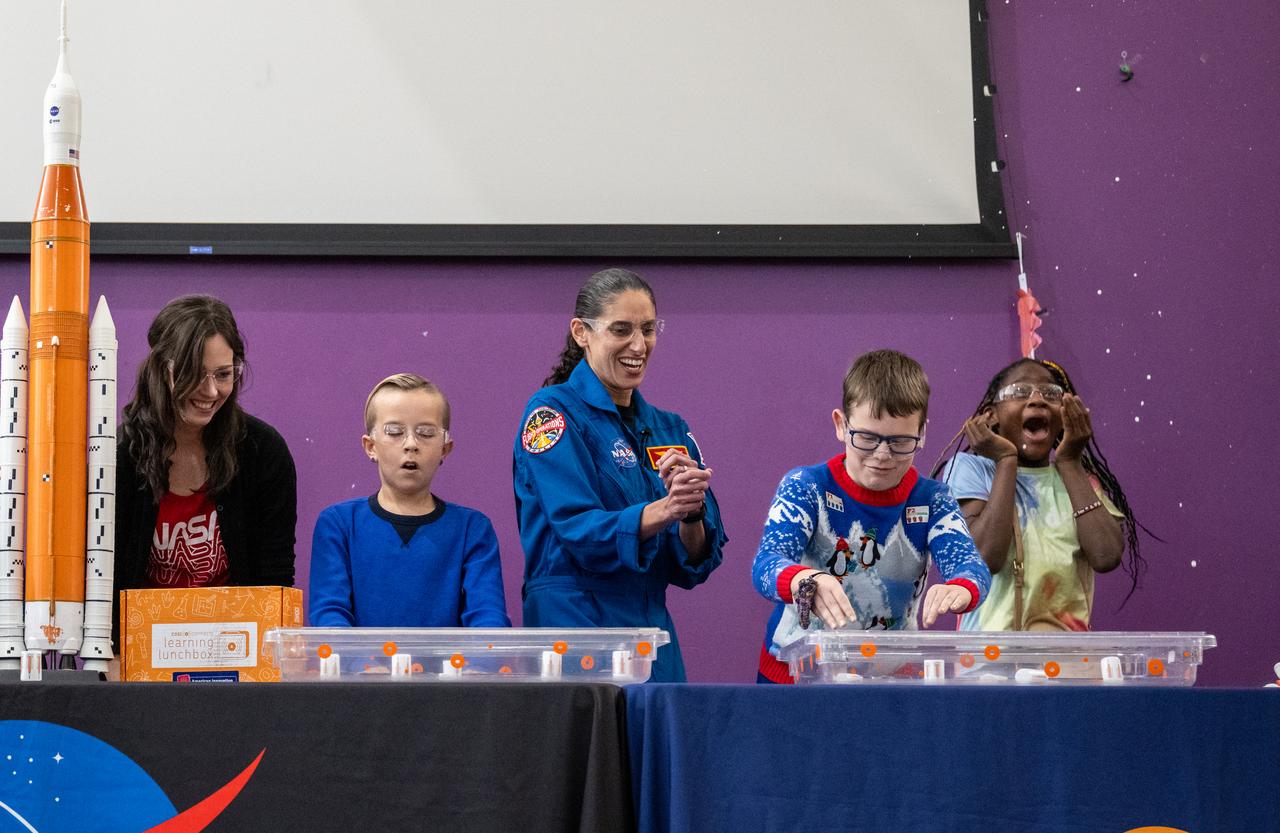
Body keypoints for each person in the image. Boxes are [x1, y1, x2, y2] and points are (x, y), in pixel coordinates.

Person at [513, 268, 726, 682]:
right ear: (581, 332)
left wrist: (690, 514)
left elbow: (695, 563)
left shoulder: (669, 428)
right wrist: (664, 509)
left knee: (660, 747)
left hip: (651, 637)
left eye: (648, 329)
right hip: (575, 632)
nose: (639, 344)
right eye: (621, 329)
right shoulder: (551, 415)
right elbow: (578, 530)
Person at [752, 349, 991, 683]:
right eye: (866, 438)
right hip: (796, 674)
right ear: (841, 425)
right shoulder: (805, 486)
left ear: (922, 433)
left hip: (891, 677)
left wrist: (963, 587)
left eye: (900, 441)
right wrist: (803, 580)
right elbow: (766, 564)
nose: (882, 455)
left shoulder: (934, 500)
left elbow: (971, 567)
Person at [115, 295, 297, 618]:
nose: (211, 392)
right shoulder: (120, 457)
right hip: (141, 653)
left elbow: (275, 582)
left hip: (236, 648)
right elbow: (108, 580)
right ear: (161, 370)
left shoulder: (264, 452)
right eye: (194, 374)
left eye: (223, 374)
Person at [933, 358, 1145, 631]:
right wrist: (1006, 459)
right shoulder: (971, 469)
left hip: (1064, 663)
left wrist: (1069, 462)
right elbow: (985, 559)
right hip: (988, 664)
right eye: (1020, 392)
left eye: (1051, 394)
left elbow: (1106, 557)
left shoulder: (1080, 480)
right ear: (991, 414)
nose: (1037, 400)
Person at [308, 373, 510, 627]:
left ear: (444, 449)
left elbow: (487, 617)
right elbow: (329, 614)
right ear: (370, 446)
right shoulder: (339, 524)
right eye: (394, 432)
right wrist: (360, 665)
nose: (411, 444)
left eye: (426, 433)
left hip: (449, 668)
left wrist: (477, 665)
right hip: (358, 668)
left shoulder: (472, 529)